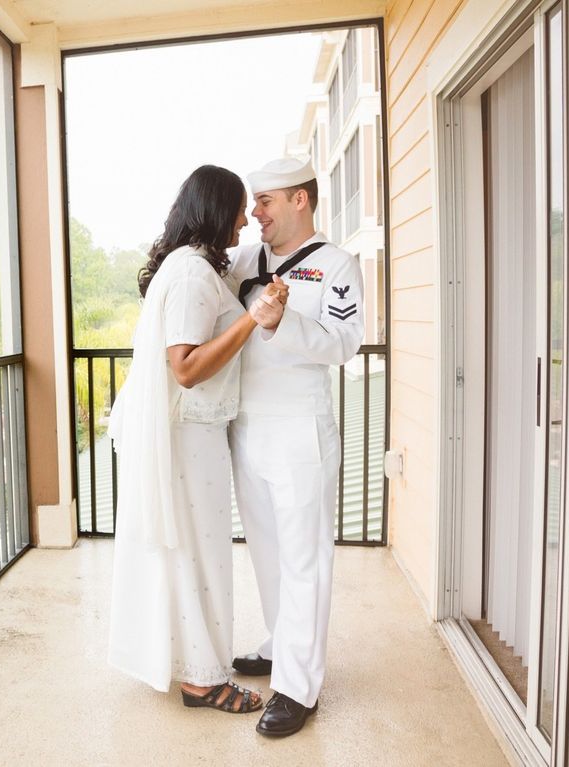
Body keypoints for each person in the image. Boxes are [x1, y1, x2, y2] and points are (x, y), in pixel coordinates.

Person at [107, 164, 286, 714]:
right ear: (216, 210)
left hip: (196, 433)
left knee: (194, 550)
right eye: (238, 208)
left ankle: (197, 666)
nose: (245, 220)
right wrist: (252, 318)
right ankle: (202, 679)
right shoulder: (189, 276)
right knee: (199, 552)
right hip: (188, 436)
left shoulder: (194, 268)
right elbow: (184, 367)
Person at [225, 156, 364, 736]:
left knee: (305, 558)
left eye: (265, 202)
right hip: (246, 423)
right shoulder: (240, 262)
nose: (254, 214)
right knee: (265, 550)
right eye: (254, 204)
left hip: (300, 427)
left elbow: (345, 343)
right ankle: (282, 643)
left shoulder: (338, 266)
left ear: (299, 200)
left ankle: (298, 687)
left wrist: (283, 322)